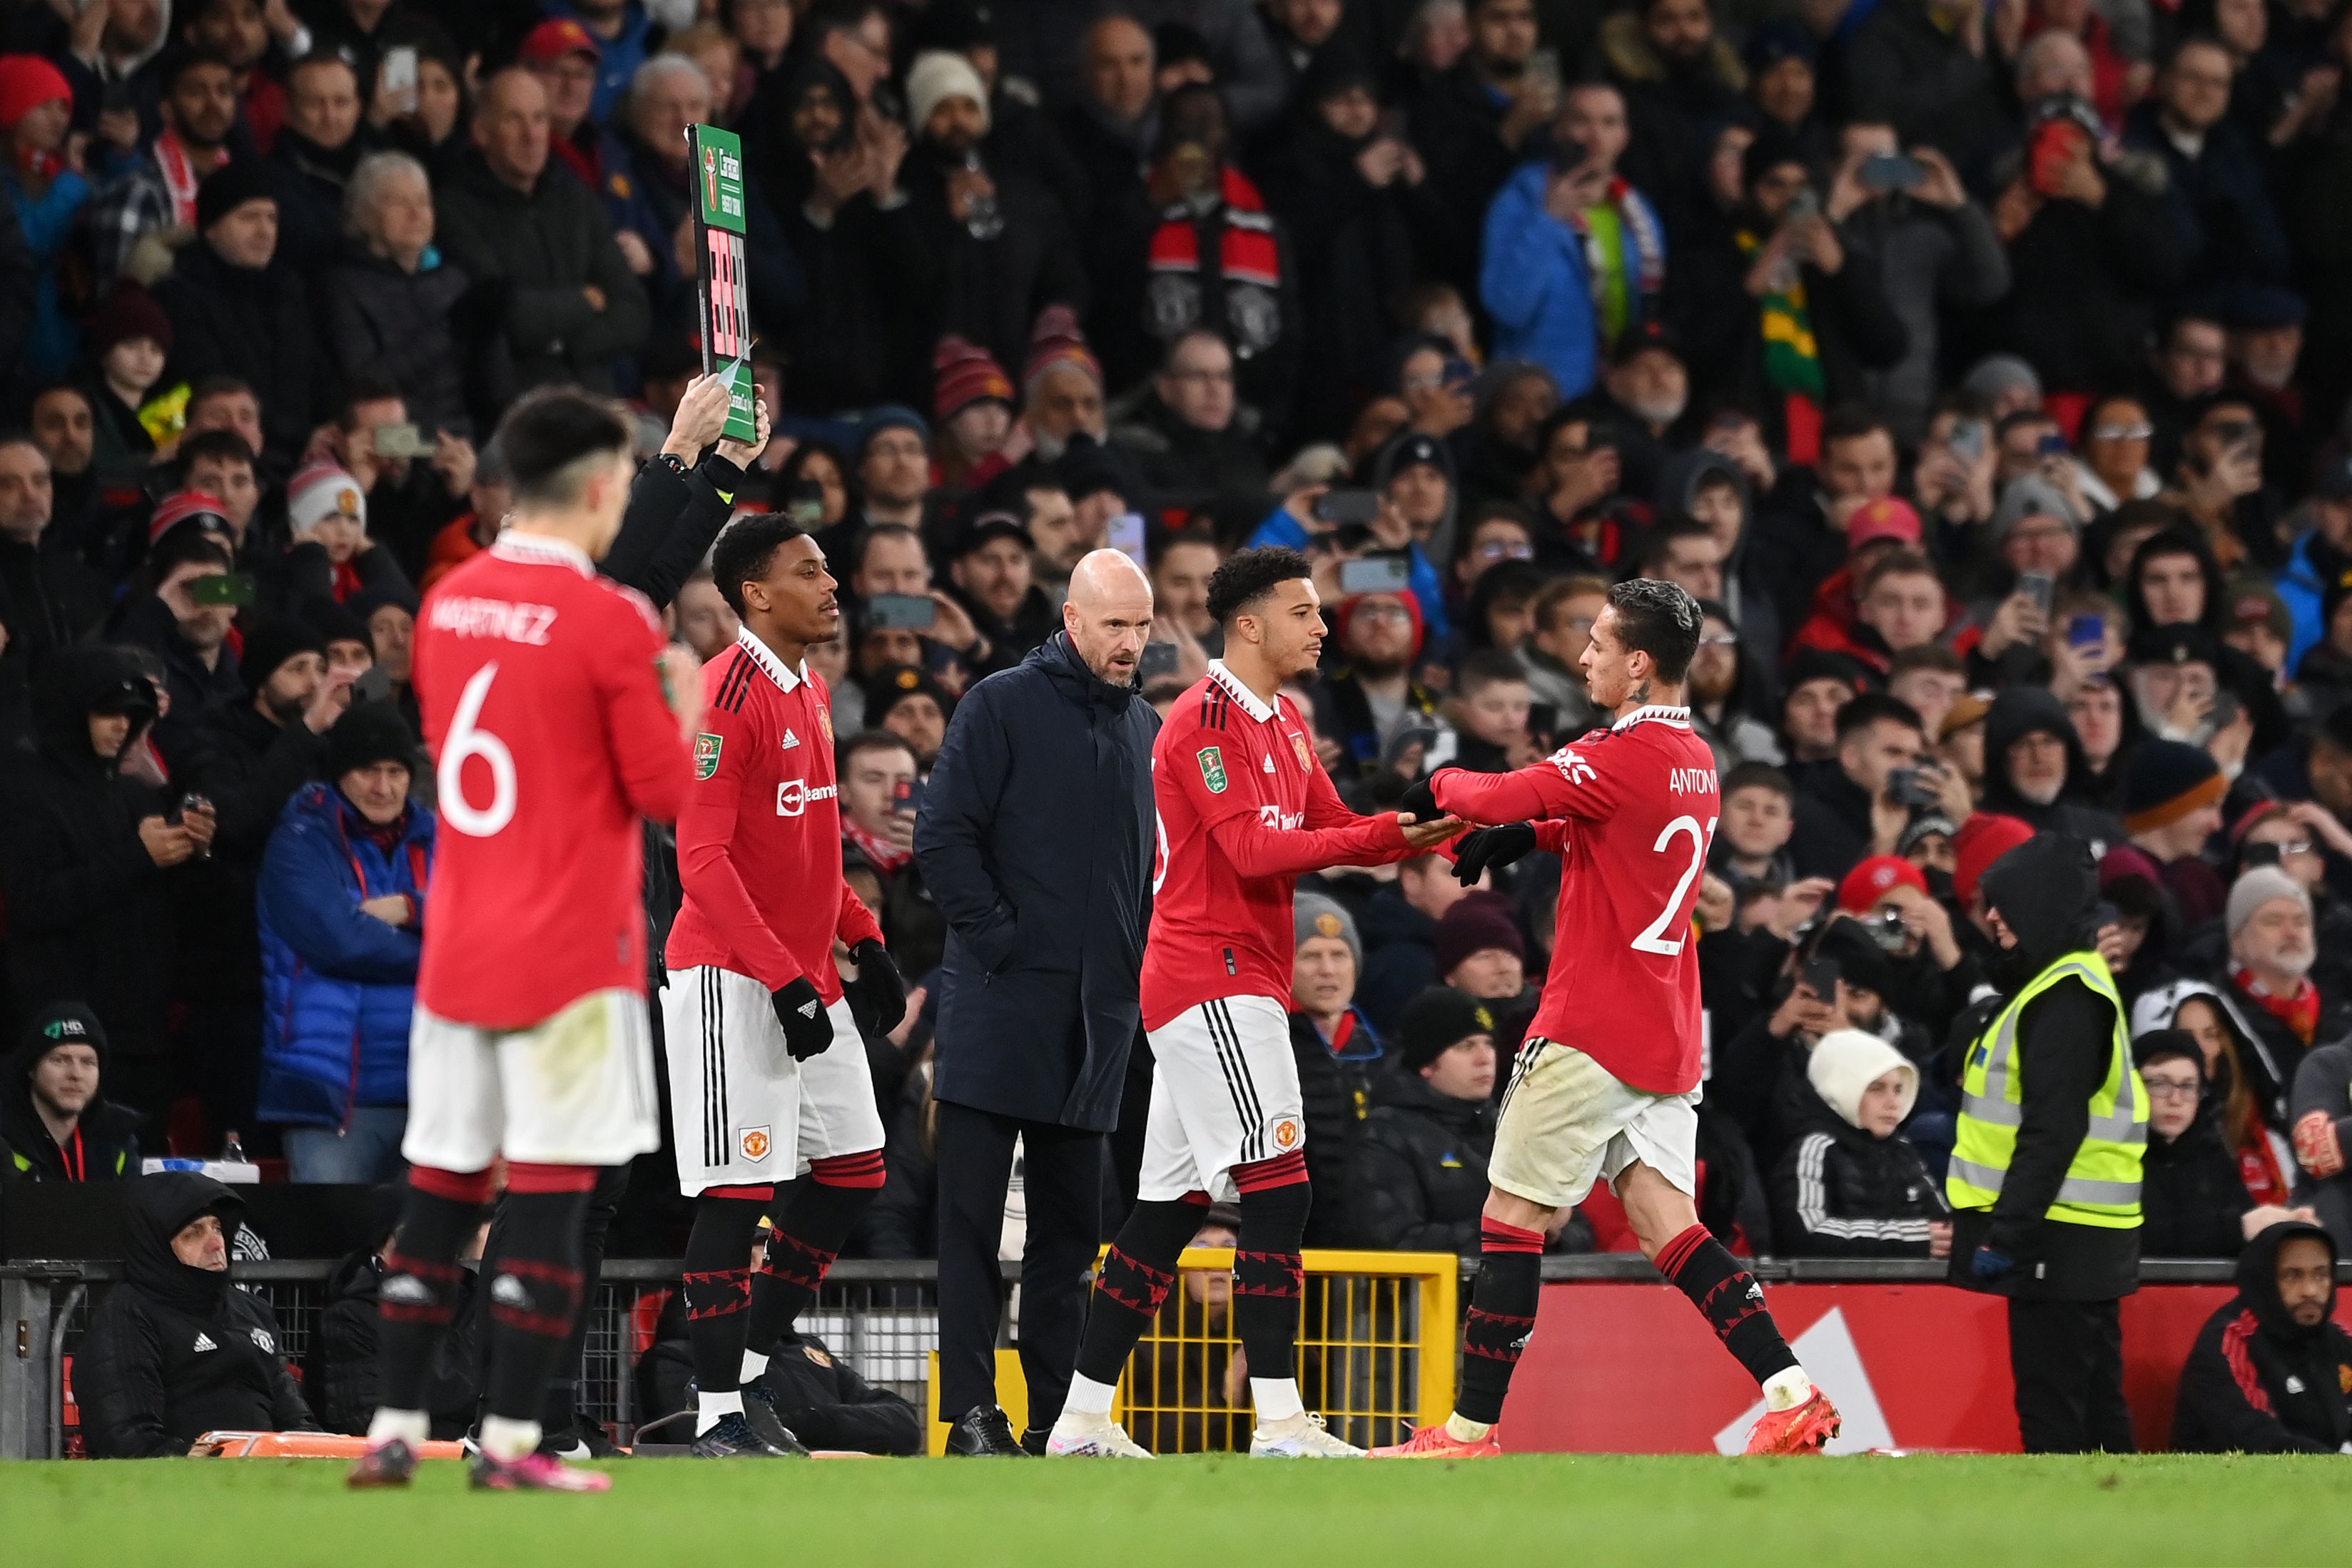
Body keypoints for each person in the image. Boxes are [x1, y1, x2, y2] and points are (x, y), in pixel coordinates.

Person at [1381, 578, 1839, 1457]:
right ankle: (1791, 1390)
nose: (1582, 656)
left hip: (1590, 1026)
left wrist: (1431, 777)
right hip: (1666, 1033)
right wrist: (1536, 834)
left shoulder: (1617, 751)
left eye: (1595, 642)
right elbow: (1612, 824)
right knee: (1669, 1222)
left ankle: (1469, 1430)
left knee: (1511, 1215)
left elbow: (1494, 793)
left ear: (1637, 663)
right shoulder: (1695, 758)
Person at [350, 389, 697, 1494]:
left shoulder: (447, 603)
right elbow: (662, 789)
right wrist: (682, 696)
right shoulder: (613, 623)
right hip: (569, 959)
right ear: (603, 488)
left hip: (460, 949)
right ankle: (507, 1441)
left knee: (443, 1190)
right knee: (549, 1196)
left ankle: (395, 1425)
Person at [1045, 546, 1461, 1460]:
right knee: (1280, 1185)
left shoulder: (1283, 723)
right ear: (1247, 624)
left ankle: (1077, 1420)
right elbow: (1252, 851)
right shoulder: (1199, 719)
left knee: (1168, 1207)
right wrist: (1378, 837)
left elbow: (1330, 826)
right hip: (1211, 974)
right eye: (1304, 611)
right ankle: (1279, 1420)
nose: (1322, 626)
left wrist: (1415, 828)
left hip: (1240, 977)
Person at [657, 511, 908, 1458]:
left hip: (804, 974)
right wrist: (784, 980)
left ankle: (753, 1372)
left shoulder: (805, 688)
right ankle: (717, 1408)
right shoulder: (726, 693)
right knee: (735, 1193)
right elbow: (704, 859)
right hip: (729, 977)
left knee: (854, 1169)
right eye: (810, 571)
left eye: (829, 569)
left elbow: (806, 846)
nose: (832, 583)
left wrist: (864, 934)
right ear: (756, 592)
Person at [916, 548, 1159, 1456]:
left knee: (1070, 1236)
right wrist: (1003, 944)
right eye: (1113, 625)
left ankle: (1065, 1419)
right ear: (1071, 617)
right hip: (997, 1006)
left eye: (1140, 625)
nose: (1130, 642)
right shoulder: (1000, 703)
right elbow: (943, 839)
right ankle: (973, 1414)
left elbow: (1144, 877)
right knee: (973, 1227)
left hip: (1097, 1022)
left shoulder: (1145, 727)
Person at [1947, 832, 2146, 1455]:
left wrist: (2009, 1234)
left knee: (2053, 1408)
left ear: (2039, 904)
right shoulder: (2064, 984)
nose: (1992, 917)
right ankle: (2122, 1532)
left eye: (2003, 903)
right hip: (2080, 1232)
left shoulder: (2064, 995)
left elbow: (2052, 1131)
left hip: (2055, 1235)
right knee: (2093, 1403)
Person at [0, 646, 213, 1123]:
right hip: (60, 1034)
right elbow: (34, 902)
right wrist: (137, 856)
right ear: (71, 709)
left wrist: (193, 851)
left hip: (142, 1030)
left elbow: (163, 904)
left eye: (132, 716)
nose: (121, 726)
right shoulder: (25, 792)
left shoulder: (137, 796)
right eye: (108, 713)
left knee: (142, 1178)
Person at [255, 704, 435, 1183]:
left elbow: (488, 928)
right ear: (340, 775)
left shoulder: (442, 840)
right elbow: (339, 941)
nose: (383, 787)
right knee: (333, 1246)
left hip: (437, 1095)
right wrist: (442, 952)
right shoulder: (300, 841)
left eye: (396, 771)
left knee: (434, 1255)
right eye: (367, 771)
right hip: (333, 1098)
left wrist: (410, 908)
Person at [431, 68, 649, 410]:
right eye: (513, 120)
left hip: (597, 400)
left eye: (540, 119)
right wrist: (587, 301)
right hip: (518, 411)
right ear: (482, 132)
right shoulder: (454, 208)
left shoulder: (574, 197)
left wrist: (564, 346)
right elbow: (507, 317)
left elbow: (633, 311)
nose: (531, 135)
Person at [76, 1173, 315, 1456]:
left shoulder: (254, 1311)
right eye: (194, 1233)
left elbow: (297, 1421)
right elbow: (126, 1438)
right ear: (156, 1246)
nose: (217, 1243)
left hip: (270, 1478)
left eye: (217, 1228)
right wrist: (200, 1461)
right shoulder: (128, 1314)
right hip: (182, 1487)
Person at [1768, 1027, 1950, 1258]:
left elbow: (1942, 1225)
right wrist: (1909, 1240)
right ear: (1841, 1088)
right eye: (1876, 1089)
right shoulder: (1815, 1149)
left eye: (1898, 1090)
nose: (1894, 1103)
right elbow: (1808, 1233)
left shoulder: (1903, 1151)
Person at [2172, 1218, 2352, 1452]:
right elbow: (2258, 1441)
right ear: (2264, 1279)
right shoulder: (2230, 1341)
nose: (2310, 1291)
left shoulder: (2339, 1339)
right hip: (2227, 1482)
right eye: (2292, 1276)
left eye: (2321, 1275)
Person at [1346, 987, 1500, 1255]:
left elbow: (1579, 1229)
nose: (1484, 1058)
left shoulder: (1506, 1127)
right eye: (1465, 1047)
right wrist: (1508, 1235)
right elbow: (1396, 1239)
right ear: (1426, 1064)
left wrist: (1552, 1230)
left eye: (1489, 1044)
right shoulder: (1385, 1135)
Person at [2136, 1031, 2254, 1258]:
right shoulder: (2115, 1154)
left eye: (2188, 1086)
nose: (2175, 1099)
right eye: (2160, 1084)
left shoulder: (2214, 1155)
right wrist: (2235, 1230)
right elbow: (2136, 1241)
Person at [0, 1003, 139, 1181]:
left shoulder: (118, 1139)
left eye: (88, 1062)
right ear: (31, 1068)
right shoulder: (5, 1136)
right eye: (60, 1060)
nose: (76, 1074)